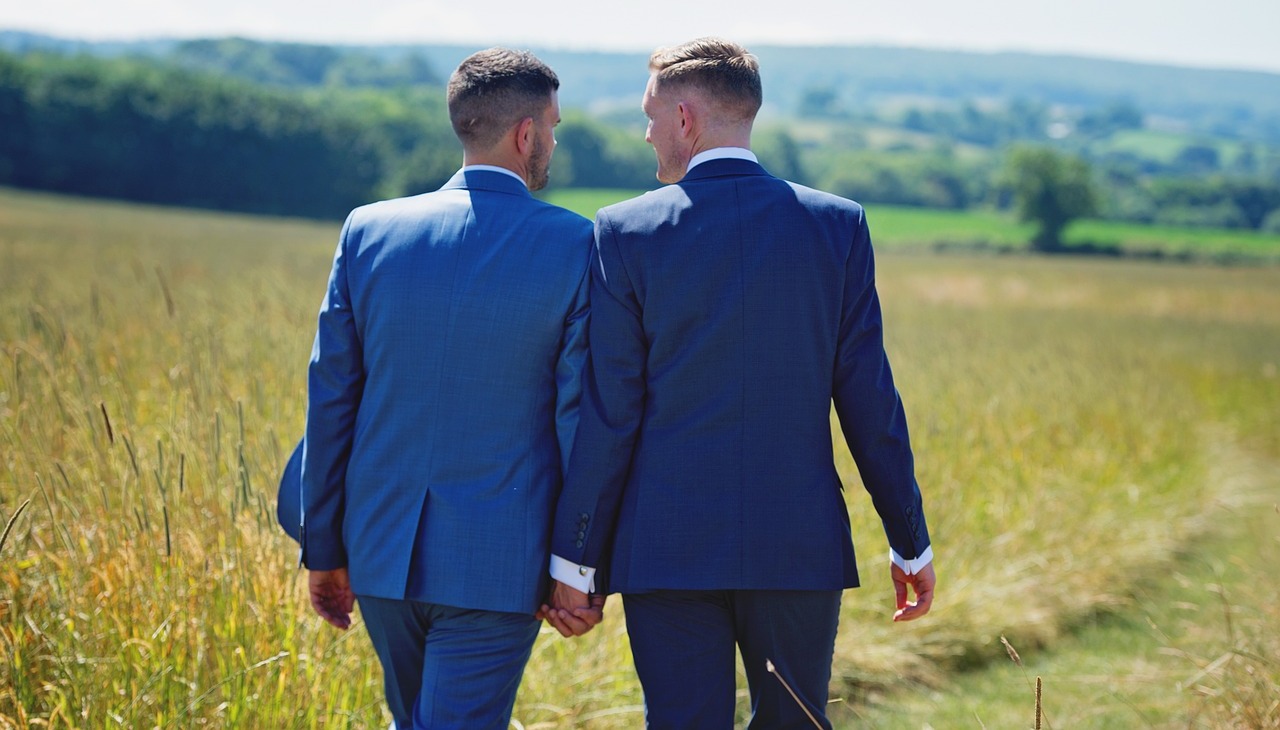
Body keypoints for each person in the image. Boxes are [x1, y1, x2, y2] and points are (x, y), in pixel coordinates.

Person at [542, 37, 936, 728]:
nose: (646, 132)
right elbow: (870, 402)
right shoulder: (837, 226)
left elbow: (610, 415)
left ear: (686, 120)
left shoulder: (624, 232)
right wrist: (909, 538)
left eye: (651, 115)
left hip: (664, 546)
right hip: (797, 541)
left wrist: (576, 561)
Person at [299, 47, 601, 730]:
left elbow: (330, 400)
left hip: (377, 551)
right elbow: (580, 416)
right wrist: (578, 566)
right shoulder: (578, 244)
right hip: (500, 562)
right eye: (552, 126)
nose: (551, 140)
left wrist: (325, 548)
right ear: (527, 134)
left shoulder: (368, 230)